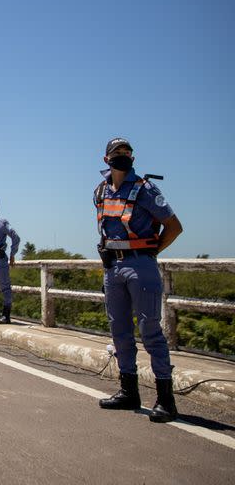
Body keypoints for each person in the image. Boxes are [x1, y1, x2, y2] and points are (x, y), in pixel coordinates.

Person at [94, 137, 183, 423]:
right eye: (118, 153)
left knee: (150, 331)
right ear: (106, 159)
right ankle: (128, 390)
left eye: (128, 152)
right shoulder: (101, 191)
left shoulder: (145, 189)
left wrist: (150, 252)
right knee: (119, 331)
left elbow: (174, 226)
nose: (124, 156)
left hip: (140, 266)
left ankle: (166, 400)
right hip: (113, 269)